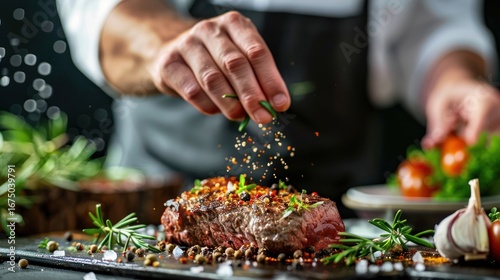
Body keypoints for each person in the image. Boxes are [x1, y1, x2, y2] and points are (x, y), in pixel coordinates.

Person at [56, 0, 500, 217]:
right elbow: (101, 11)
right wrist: (164, 44)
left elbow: (432, 24)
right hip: (149, 217)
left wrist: (454, 81)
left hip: (336, 228)